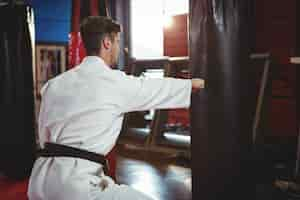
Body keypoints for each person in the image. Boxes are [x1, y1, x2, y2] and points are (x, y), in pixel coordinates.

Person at [28, 16, 204, 200]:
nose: (119, 48)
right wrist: (194, 84)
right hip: (75, 186)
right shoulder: (113, 83)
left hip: (40, 181)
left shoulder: (53, 85)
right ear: (107, 43)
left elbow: (44, 135)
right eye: (118, 41)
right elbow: (156, 89)